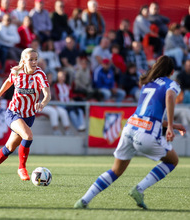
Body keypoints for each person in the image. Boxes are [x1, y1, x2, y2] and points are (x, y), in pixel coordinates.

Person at [74, 55, 186, 209]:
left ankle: (83, 200)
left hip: (130, 127)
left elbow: (148, 114)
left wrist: (173, 124)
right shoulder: (171, 84)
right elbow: (170, 96)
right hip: (146, 133)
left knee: (116, 170)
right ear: (172, 71)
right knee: (173, 161)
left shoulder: (148, 84)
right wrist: (171, 126)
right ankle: (139, 189)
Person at [0, 48, 51, 183]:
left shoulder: (39, 74)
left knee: (9, 148)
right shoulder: (16, 71)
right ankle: (21, 168)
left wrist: (42, 103)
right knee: (28, 135)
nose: (34, 62)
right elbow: (9, 82)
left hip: (29, 116)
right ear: (24, 60)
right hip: (13, 112)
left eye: (36, 59)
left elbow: (47, 94)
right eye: (31, 59)